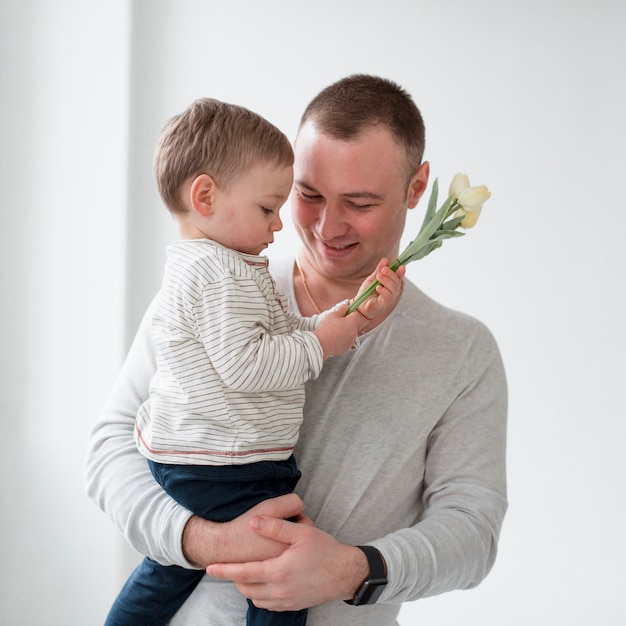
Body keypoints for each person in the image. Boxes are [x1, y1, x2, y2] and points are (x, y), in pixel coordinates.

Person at [86, 75, 508, 626]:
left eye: (360, 203)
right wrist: (202, 541)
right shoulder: (211, 285)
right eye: (308, 196)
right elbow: (109, 450)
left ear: (416, 187)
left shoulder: (462, 352)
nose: (326, 226)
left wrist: (354, 570)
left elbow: (472, 529)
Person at [102, 98, 403, 626]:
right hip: (220, 465)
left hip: (207, 460)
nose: (279, 224)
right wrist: (323, 343)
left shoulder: (216, 268)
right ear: (206, 196)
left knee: (166, 571)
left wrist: (341, 325)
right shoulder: (219, 276)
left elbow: (272, 340)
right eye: (269, 208)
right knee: (285, 571)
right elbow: (247, 366)